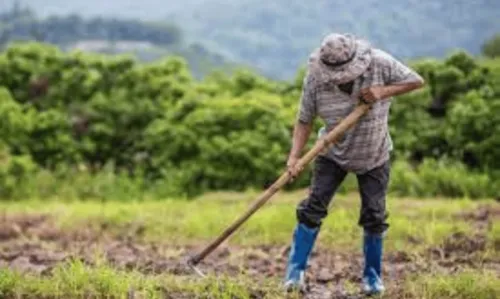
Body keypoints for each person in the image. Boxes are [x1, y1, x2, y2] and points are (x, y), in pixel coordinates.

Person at [283, 33, 425, 295]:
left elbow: (416, 81)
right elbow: (304, 119)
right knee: (313, 208)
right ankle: (295, 273)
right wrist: (294, 157)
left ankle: (372, 279)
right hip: (331, 152)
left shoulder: (380, 63)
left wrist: (383, 91)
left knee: (374, 215)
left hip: (374, 153)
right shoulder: (315, 77)